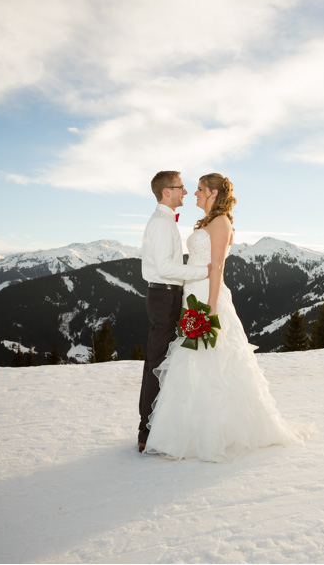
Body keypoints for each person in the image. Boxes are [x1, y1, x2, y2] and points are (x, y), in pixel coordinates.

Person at [144, 173, 307, 462]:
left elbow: (216, 267)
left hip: (206, 297)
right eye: (191, 189)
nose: (194, 193)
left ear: (213, 193)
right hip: (190, 296)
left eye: (199, 190)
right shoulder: (205, 223)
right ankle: (187, 428)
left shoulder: (221, 223)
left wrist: (211, 307)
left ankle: (212, 432)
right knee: (189, 362)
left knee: (210, 361)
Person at [138, 171, 210, 453]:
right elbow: (166, 268)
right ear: (167, 191)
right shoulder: (160, 223)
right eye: (181, 187)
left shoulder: (165, 221)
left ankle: (157, 426)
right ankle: (147, 431)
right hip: (163, 296)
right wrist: (204, 271)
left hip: (168, 295)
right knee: (157, 363)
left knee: (162, 360)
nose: (185, 191)